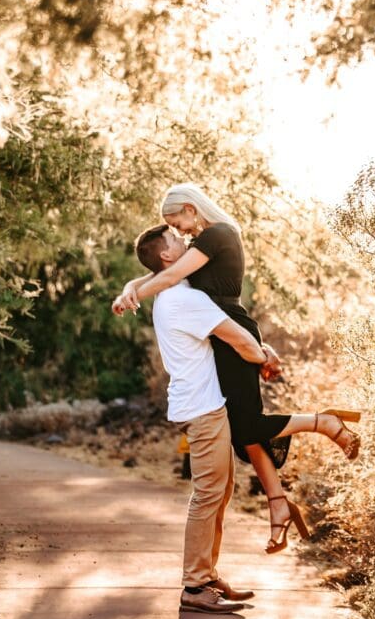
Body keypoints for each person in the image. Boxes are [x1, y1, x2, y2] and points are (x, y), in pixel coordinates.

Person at [113, 183, 361, 554]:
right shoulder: (199, 245)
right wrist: (129, 287)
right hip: (221, 334)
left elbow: (164, 277)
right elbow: (159, 273)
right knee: (244, 428)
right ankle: (278, 504)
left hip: (231, 332)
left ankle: (322, 423)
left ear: (191, 209)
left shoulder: (218, 234)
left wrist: (134, 292)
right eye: (172, 226)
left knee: (245, 425)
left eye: (176, 219)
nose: (178, 229)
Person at [133, 223, 267, 614]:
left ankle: (207, 574)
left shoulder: (180, 291)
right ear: (168, 257)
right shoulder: (181, 299)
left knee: (220, 492)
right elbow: (239, 339)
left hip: (205, 402)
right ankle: (194, 587)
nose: (187, 241)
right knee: (208, 494)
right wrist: (266, 358)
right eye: (178, 240)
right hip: (203, 406)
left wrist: (131, 288)